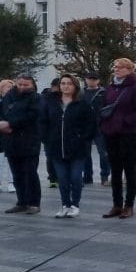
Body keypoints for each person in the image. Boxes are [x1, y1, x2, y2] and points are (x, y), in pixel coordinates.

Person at [40, 74, 97, 218]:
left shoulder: (82, 103)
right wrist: (46, 138)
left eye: (69, 83)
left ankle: (75, 204)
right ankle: (65, 204)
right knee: (62, 179)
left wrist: (83, 139)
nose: (66, 86)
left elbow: (91, 124)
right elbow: (42, 122)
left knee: (76, 178)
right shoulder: (51, 102)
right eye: (63, 83)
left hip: (77, 149)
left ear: (75, 86)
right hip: (56, 148)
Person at [100, 58, 136, 219]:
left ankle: (129, 205)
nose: (116, 69)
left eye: (120, 67)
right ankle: (116, 204)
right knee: (115, 171)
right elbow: (104, 107)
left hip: (128, 135)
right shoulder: (110, 87)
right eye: (115, 66)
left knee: (129, 170)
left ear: (129, 69)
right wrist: (106, 126)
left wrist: (125, 121)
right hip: (111, 134)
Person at [0, 75, 44, 214]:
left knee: (30, 173)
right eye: (20, 84)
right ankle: (21, 202)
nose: (22, 87)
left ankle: (34, 203)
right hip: (11, 141)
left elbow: (33, 115)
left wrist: (11, 124)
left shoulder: (36, 98)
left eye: (26, 84)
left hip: (30, 141)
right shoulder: (9, 96)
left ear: (32, 85)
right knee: (17, 174)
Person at [82, 73, 110, 186]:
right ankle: (87, 176)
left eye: (94, 79)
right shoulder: (81, 93)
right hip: (85, 126)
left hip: (100, 126)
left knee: (103, 153)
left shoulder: (104, 93)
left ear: (98, 80)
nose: (92, 81)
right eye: (90, 79)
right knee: (85, 153)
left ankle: (104, 176)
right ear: (85, 79)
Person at [41, 78, 61, 188]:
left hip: (64, 133)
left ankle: (61, 177)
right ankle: (53, 178)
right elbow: (42, 117)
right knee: (51, 157)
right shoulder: (46, 98)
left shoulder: (68, 97)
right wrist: (43, 135)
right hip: (49, 134)